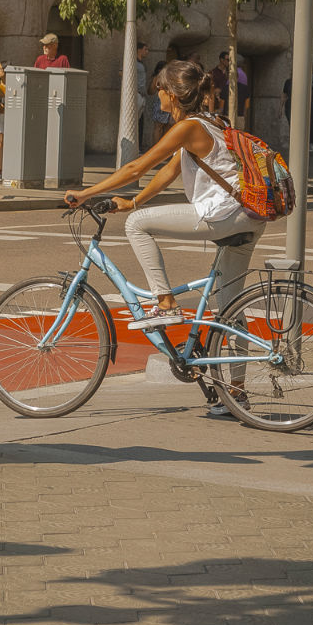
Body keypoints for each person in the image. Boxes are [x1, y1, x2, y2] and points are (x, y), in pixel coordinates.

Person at [63, 60, 264, 412]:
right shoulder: (215, 121)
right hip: (249, 216)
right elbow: (170, 171)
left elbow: (136, 167)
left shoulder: (188, 127)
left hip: (223, 214)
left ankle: (165, 302)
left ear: (171, 94)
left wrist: (84, 193)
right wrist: (134, 201)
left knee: (137, 225)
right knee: (230, 306)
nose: (157, 95)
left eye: (159, 89)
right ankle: (236, 394)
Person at [148, 60, 172, 146]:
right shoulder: (158, 77)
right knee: (159, 126)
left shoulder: (169, 77)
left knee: (166, 127)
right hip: (161, 102)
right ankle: (155, 148)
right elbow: (150, 91)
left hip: (169, 102)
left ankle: (163, 148)